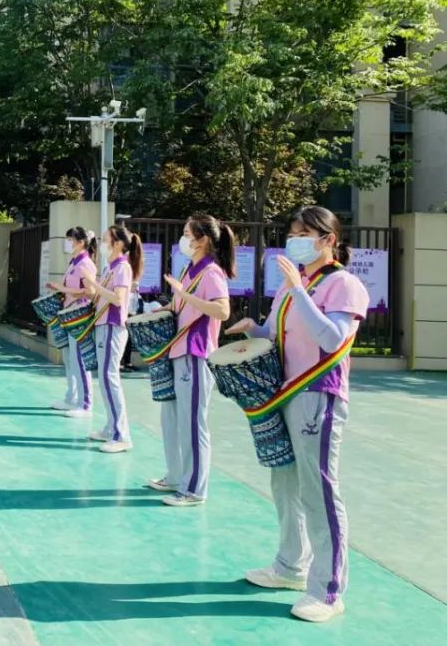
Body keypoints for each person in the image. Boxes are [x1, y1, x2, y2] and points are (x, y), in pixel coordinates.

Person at [227, 206, 368, 624]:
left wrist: (298, 291)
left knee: (318, 489)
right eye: (293, 233)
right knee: (285, 481)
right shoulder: (296, 284)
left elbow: (332, 337)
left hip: (318, 395)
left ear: (329, 239)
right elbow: (276, 336)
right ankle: (290, 566)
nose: (295, 240)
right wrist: (253, 329)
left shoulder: (343, 284)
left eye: (305, 233)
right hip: (286, 393)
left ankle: (328, 590)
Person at [148, 215, 234, 507]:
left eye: (187, 233)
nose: (183, 239)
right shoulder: (188, 268)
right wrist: (159, 310)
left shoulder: (211, 272)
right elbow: (179, 305)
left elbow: (222, 311)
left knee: (193, 423)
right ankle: (176, 476)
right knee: (172, 419)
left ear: (203, 239)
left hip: (196, 353)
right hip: (178, 351)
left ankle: (195, 488)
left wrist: (186, 295)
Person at [85, 224, 143, 452]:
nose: (102, 243)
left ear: (117, 243)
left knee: (110, 378)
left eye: (105, 239)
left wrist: (95, 285)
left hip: (112, 327)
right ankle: (111, 428)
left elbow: (118, 299)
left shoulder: (122, 268)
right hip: (104, 326)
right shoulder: (112, 267)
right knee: (105, 378)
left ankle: (121, 435)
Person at [44, 227, 98, 418]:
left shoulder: (86, 264)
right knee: (69, 358)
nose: (67, 243)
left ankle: (85, 404)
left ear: (80, 242)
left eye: (70, 239)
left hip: (79, 317)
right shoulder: (74, 263)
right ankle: (71, 397)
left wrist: (64, 289)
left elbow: (91, 292)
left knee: (79, 360)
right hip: (69, 315)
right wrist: (61, 289)